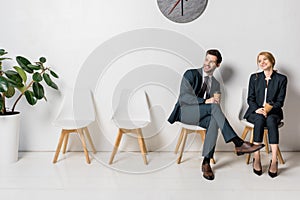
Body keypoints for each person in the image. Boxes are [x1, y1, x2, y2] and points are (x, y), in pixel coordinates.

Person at [168, 49, 264, 180]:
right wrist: (207, 101)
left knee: (214, 120)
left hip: (202, 115)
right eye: (207, 60)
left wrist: (215, 99)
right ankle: (238, 142)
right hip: (185, 113)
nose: (207, 64)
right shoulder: (191, 74)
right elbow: (184, 97)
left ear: (217, 65)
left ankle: (206, 162)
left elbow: (215, 107)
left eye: (212, 62)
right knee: (213, 109)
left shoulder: (216, 84)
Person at [244, 51, 287, 178]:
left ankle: (274, 160)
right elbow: (250, 98)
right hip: (255, 112)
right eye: (259, 61)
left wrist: (267, 109)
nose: (262, 63)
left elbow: (280, 101)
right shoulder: (254, 77)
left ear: (272, 61)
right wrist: (257, 109)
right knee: (259, 119)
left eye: (265, 60)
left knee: (271, 121)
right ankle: (256, 157)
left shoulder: (281, 79)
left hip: (273, 112)